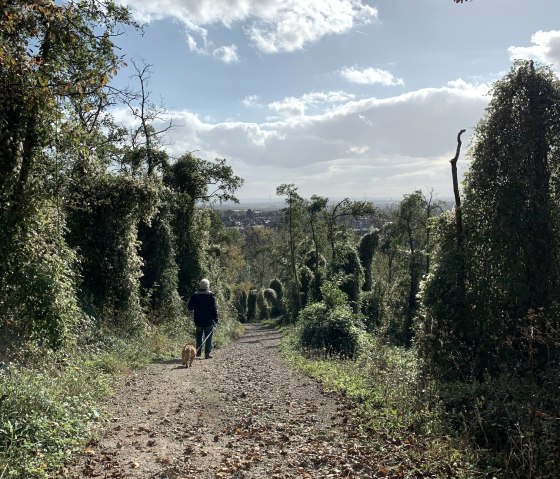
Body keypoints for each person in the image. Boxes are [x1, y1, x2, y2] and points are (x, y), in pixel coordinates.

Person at [187, 278, 218, 359]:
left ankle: (198, 352)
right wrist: (216, 319)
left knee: (198, 335)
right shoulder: (211, 295)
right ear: (208, 286)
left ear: (200, 285)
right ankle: (207, 353)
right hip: (208, 320)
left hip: (198, 320)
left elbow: (189, 307)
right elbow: (214, 309)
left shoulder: (195, 295)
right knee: (208, 337)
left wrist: (196, 306)